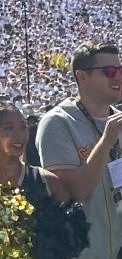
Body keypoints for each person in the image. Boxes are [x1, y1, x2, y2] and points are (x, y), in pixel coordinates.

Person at [37, 42, 122, 259]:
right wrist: (107, 140)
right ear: (82, 76)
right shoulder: (57, 123)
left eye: (121, 71)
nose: (118, 78)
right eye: (109, 71)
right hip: (85, 252)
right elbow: (72, 193)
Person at [0, 103, 86, 258]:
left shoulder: (47, 181)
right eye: (9, 128)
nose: (19, 135)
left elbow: (74, 232)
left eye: (23, 126)